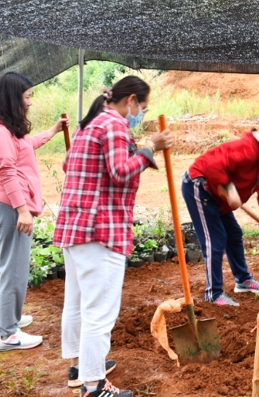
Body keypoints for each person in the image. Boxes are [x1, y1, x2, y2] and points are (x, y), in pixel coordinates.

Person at [54, 76, 173, 397]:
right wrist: (150, 147)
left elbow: (69, 164)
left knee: (78, 304)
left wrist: (140, 150)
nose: (141, 114)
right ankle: (94, 387)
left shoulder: (88, 123)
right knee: (100, 312)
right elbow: (120, 171)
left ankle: (81, 369)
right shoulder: (115, 125)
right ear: (131, 100)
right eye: (142, 108)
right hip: (100, 231)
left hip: (75, 226)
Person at [0, 73, 67, 352]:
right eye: (27, 97)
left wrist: (53, 130)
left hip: (8, 207)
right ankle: (7, 335)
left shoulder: (4, 128)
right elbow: (7, 172)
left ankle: (5, 319)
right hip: (10, 208)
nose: (29, 103)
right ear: (13, 98)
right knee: (15, 271)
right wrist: (22, 211)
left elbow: (25, 147)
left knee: (10, 267)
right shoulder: (0, 133)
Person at [181, 117, 259, 306]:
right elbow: (211, 164)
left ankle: (243, 280)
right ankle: (213, 294)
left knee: (234, 234)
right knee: (215, 240)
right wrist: (229, 189)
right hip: (200, 186)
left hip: (217, 195)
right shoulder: (248, 150)